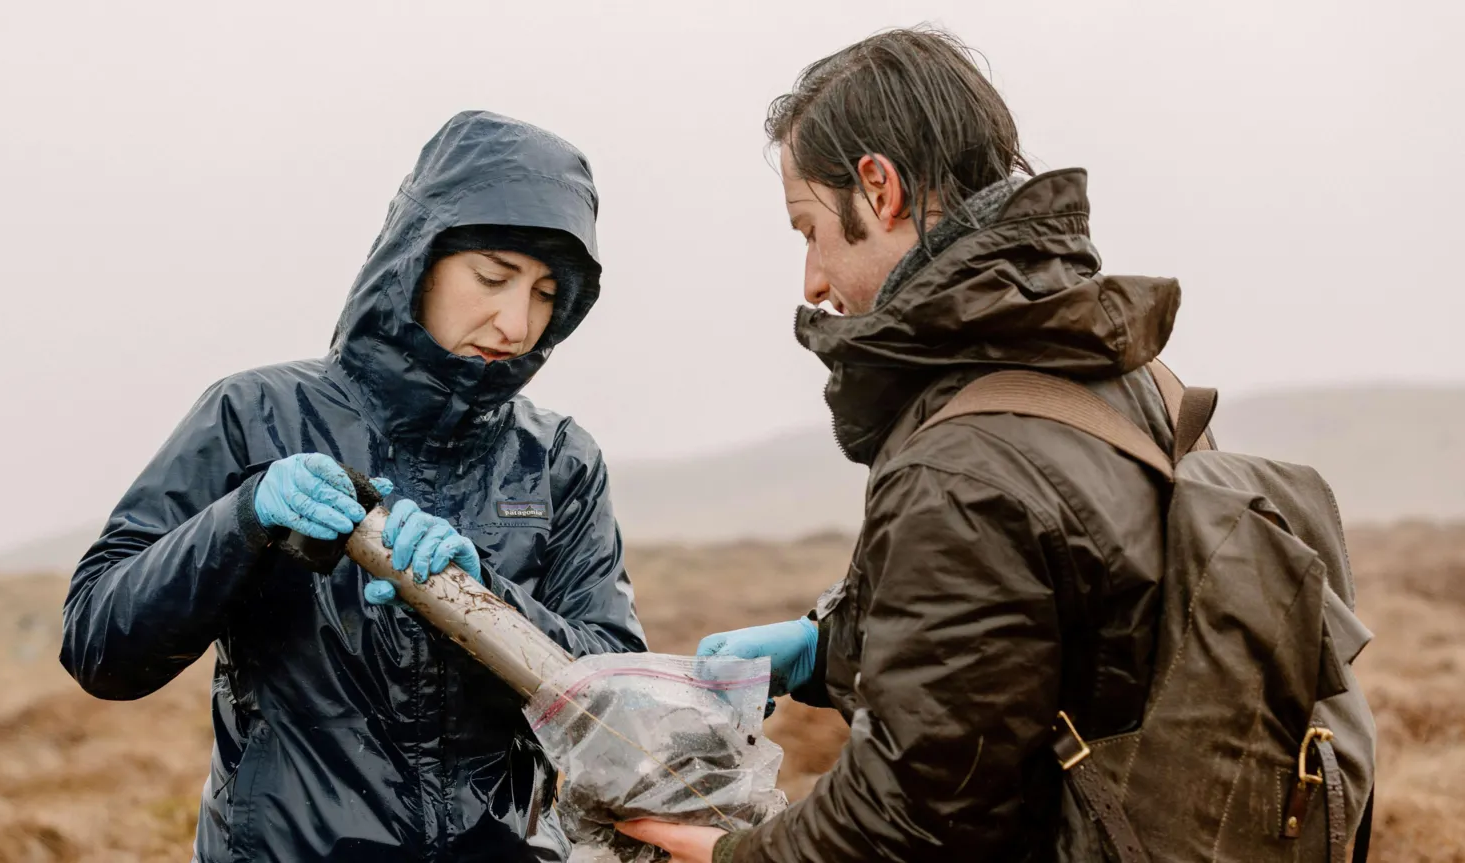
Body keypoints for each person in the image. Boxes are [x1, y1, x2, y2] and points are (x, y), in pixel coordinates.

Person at [620, 27, 1191, 862]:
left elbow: (909, 825)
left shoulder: (962, 463)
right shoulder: (1121, 376)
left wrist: (728, 854)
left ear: (878, 189)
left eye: (808, 229)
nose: (813, 282)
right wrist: (830, 646)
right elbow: (1034, 643)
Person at [61, 110, 647, 863]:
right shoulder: (254, 414)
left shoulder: (560, 459)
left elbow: (618, 701)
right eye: (493, 277)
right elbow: (99, 644)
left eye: (544, 295)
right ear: (419, 259)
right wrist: (242, 519)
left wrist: (489, 604)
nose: (515, 321)